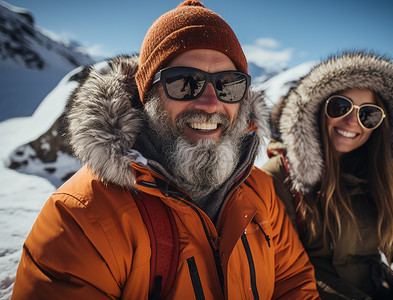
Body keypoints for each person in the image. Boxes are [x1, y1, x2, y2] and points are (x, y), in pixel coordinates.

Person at [11, 1, 320, 299]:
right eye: (184, 82)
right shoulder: (83, 216)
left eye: (229, 85)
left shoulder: (261, 191)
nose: (211, 103)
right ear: (148, 96)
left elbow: (293, 282)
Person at [262, 52, 393, 300]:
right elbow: (284, 269)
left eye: (368, 114)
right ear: (318, 109)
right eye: (340, 107)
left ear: (381, 124)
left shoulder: (389, 176)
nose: (352, 121)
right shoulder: (279, 177)